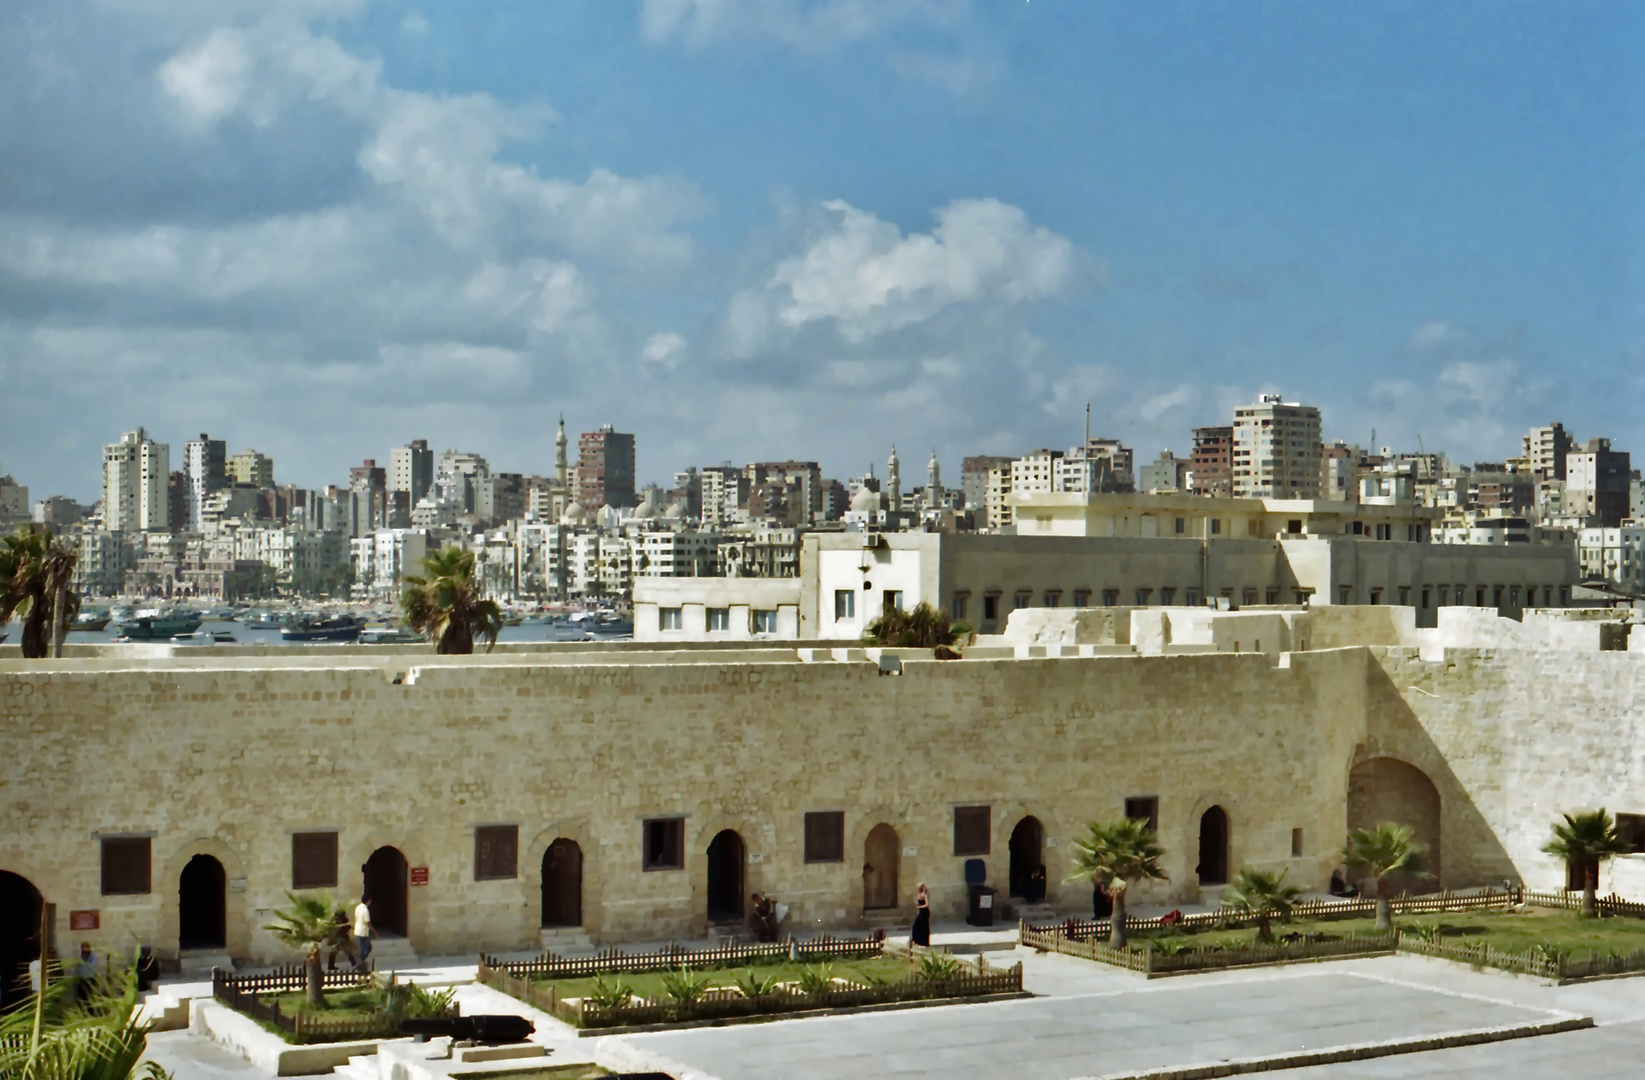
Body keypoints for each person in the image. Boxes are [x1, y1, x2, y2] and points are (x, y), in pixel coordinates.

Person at [352, 895, 376, 972]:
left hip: (357, 930)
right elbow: (367, 922)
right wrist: (374, 933)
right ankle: (359, 963)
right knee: (365, 948)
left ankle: (360, 962)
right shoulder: (365, 910)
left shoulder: (358, 908)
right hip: (363, 932)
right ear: (368, 901)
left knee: (366, 947)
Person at [911, 883, 931, 947]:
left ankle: (924, 941)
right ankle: (917, 941)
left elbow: (927, 905)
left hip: (924, 913)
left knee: (923, 927)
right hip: (920, 912)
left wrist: (920, 907)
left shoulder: (925, 895)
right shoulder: (919, 895)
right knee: (916, 926)